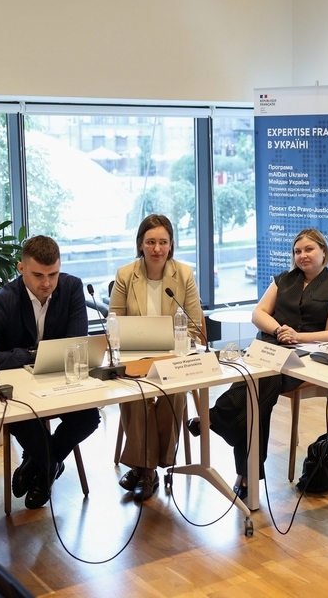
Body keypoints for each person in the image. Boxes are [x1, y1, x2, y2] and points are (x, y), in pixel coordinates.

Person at [187, 228, 328, 498]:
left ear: (323, 251)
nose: (302, 255)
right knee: (258, 392)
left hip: (304, 357)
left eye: (309, 249)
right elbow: (258, 313)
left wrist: (297, 336)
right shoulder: (283, 279)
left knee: (260, 383)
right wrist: (278, 330)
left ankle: (220, 422)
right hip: (268, 347)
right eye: (297, 251)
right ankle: (244, 469)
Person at [0, 235, 100, 509]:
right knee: (22, 417)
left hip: (59, 383)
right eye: (38, 275)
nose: (47, 283)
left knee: (88, 417)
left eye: (53, 274)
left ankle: (39, 464)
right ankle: (49, 466)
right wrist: (30, 356)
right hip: (20, 391)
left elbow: (76, 346)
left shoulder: (71, 288)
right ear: (21, 268)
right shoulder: (4, 300)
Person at [109, 214, 203, 501]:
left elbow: (194, 327)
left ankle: (144, 468)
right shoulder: (126, 275)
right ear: (140, 244)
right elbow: (114, 323)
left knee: (174, 392)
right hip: (135, 355)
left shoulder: (184, 274)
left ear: (171, 244)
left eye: (163, 242)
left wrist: (174, 347)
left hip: (172, 356)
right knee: (135, 392)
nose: (157, 249)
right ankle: (148, 470)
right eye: (150, 242)